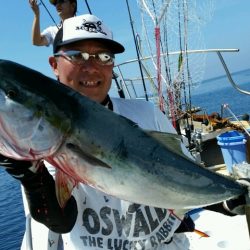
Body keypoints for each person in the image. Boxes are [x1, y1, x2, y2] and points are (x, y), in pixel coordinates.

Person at [1, 14, 248, 250]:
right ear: (54, 65)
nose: (92, 66)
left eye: (104, 57)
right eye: (78, 56)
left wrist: (227, 200)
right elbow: (61, 221)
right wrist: (31, 176)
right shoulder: (39, 147)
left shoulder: (146, 114)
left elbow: (185, 176)